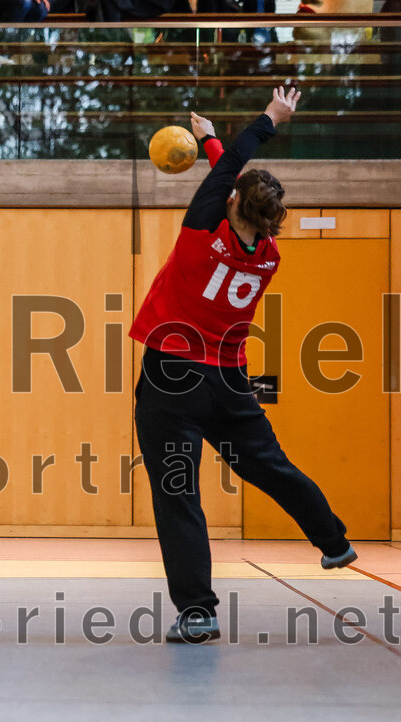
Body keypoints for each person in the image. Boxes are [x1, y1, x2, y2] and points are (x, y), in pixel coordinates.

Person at [130, 87, 357, 644]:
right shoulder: (271, 255)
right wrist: (210, 141)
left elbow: (231, 172)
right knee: (270, 467)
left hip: (172, 376)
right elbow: (230, 180)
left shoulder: (200, 237)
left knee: (178, 491)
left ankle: (199, 610)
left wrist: (265, 121)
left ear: (230, 204)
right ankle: (333, 541)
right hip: (229, 379)